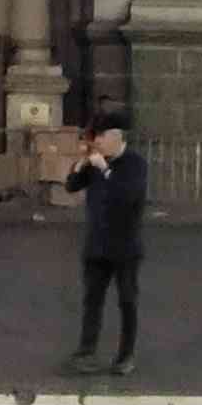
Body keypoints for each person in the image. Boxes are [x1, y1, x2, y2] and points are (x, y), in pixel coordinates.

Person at [64, 123, 146, 375]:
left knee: (127, 300)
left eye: (100, 138)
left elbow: (127, 196)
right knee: (92, 300)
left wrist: (105, 169)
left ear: (115, 137)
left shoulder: (134, 163)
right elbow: (72, 185)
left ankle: (125, 356)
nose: (97, 143)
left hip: (125, 246)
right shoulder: (96, 162)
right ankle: (86, 351)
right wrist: (81, 163)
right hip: (97, 244)